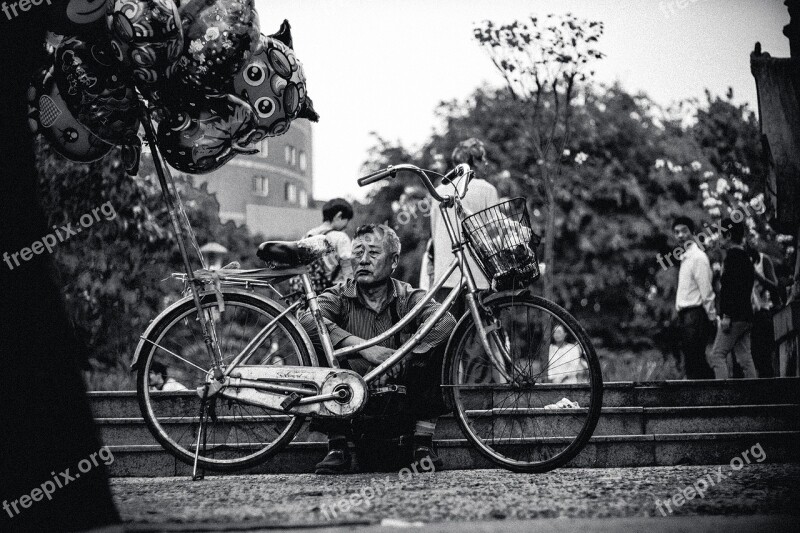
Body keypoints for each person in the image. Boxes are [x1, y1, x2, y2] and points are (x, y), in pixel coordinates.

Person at [298, 224, 456, 474]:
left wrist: (403, 357)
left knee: (437, 338)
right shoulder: (338, 295)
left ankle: (422, 443)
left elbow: (445, 320)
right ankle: (337, 447)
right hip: (349, 404)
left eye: (373, 253)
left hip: (401, 405)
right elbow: (306, 319)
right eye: (357, 252)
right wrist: (363, 348)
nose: (363, 260)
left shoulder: (408, 296)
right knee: (316, 339)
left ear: (393, 261)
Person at [430, 138, 500, 318]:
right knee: (477, 334)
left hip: (444, 276)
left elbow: (434, 232)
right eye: (482, 158)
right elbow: (494, 233)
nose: (485, 163)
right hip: (478, 277)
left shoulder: (439, 191)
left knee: (445, 336)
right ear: (474, 161)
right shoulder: (487, 190)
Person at [707, 219, 757, 379]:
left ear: (728, 235)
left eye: (720, 235)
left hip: (734, 317)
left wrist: (727, 315)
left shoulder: (732, 258)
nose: (717, 239)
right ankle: (758, 395)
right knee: (744, 358)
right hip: (746, 315)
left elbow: (731, 289)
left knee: (717, 355)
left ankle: (723, 396)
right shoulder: (745, 258)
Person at [672, 216, 716, 379]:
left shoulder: (698, 257)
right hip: (685, 315)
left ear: (693, 233)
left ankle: (716, 392)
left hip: (696, 315)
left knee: (695, 360)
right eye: (677, 232)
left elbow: (706, 289)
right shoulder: (685, 258)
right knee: (692, 361)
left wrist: (711, 316)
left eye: (684, 231)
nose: (680, 235)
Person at [304, 198, 355, 286]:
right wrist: (351, 293)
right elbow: (347, 270)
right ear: (339, 216)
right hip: (333, 293)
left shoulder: (308, 235)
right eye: (347, 221)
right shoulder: (341, 237)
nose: (347, 226)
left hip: (308, 293)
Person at [749, 247, 780, 377]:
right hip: (749, 313)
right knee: (752, 356)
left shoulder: (763, 260)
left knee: (764, 355)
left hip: (764, 312)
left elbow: (774, 285)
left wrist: (758, 277)